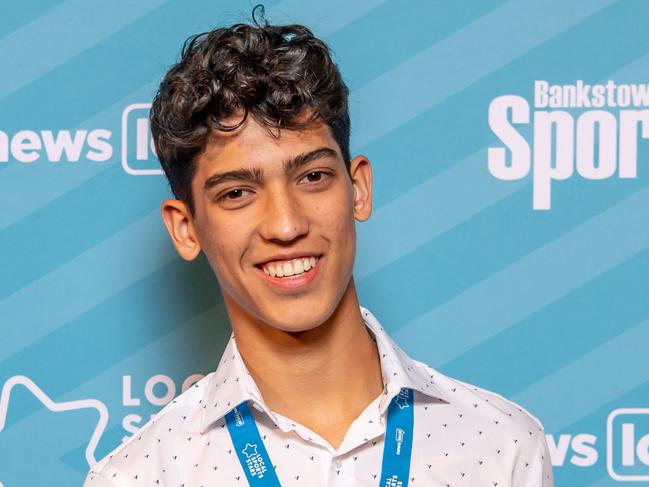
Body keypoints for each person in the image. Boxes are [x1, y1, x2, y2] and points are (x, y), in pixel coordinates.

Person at [84, 8, 554, 487]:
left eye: (312, 177)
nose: (286, 226)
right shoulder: (139, 476)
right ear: (186, 229)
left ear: (359, 190)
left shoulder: (502, 446)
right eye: (237, 193)